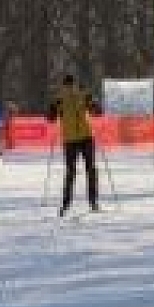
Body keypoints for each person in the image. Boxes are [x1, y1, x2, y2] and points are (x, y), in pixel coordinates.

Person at [47, 74, 101, 216]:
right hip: (79, 138)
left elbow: (50, 119)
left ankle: (75, 203)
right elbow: (51, 118)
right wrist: (53, 108)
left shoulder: (74, 97)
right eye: (69, 85)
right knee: (85, 170)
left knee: (76, 171)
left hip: (77, 139)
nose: (70, 88)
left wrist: (92, 103)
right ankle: (84, 202)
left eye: (70, 85)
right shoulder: (66, 98)